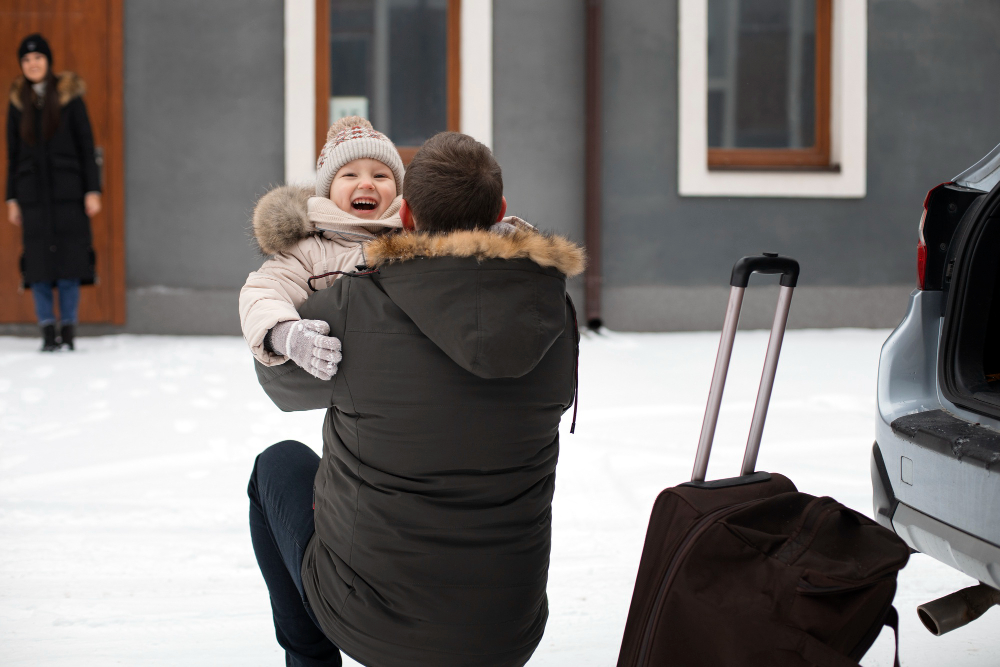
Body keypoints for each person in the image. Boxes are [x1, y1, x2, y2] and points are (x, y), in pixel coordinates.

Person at [249, 132, 585, 666]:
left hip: (371, 624)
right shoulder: (549, 309)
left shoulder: (359, 301)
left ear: (404, 214)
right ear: (500, 211)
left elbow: (281, 388)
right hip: (507, 629)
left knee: (277, 466)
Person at [239, 115, 406, 378]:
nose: (366, 183)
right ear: (327, 191)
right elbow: (263, 291)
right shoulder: (310, 250)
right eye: (350, 174)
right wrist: (288, 335)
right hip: (352, 388)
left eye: (381, 175)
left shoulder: (418, 236)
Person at [6, 34, 101, 352]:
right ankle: (48, 330)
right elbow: (13, 153)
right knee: (39, 267)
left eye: (38, 58)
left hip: (68, 194)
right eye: (27, 60)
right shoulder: (18, 101)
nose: (33, 64)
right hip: (33, 197)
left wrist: (92, 189)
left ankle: (69, 329)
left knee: (70, 264)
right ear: (22, 65)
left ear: (48, 61)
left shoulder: (69, 98)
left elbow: (86, 146)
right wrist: (12, 198)